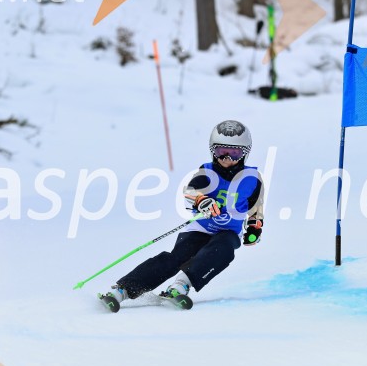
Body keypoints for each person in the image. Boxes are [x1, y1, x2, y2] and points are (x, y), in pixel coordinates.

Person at [99, 120, 265, 312]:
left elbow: (256, 207)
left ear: (245, 152)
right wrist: (201, 200)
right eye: (221, 152)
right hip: (200, 229)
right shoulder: (207, 172)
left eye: (234, 152)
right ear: (213, 151)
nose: (227, 157)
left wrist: (255, 226)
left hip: (228, 231)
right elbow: (191, 191)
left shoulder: (252, 179)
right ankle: (122, 290)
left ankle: (181, 285)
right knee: (176, 258)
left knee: (224, 249)